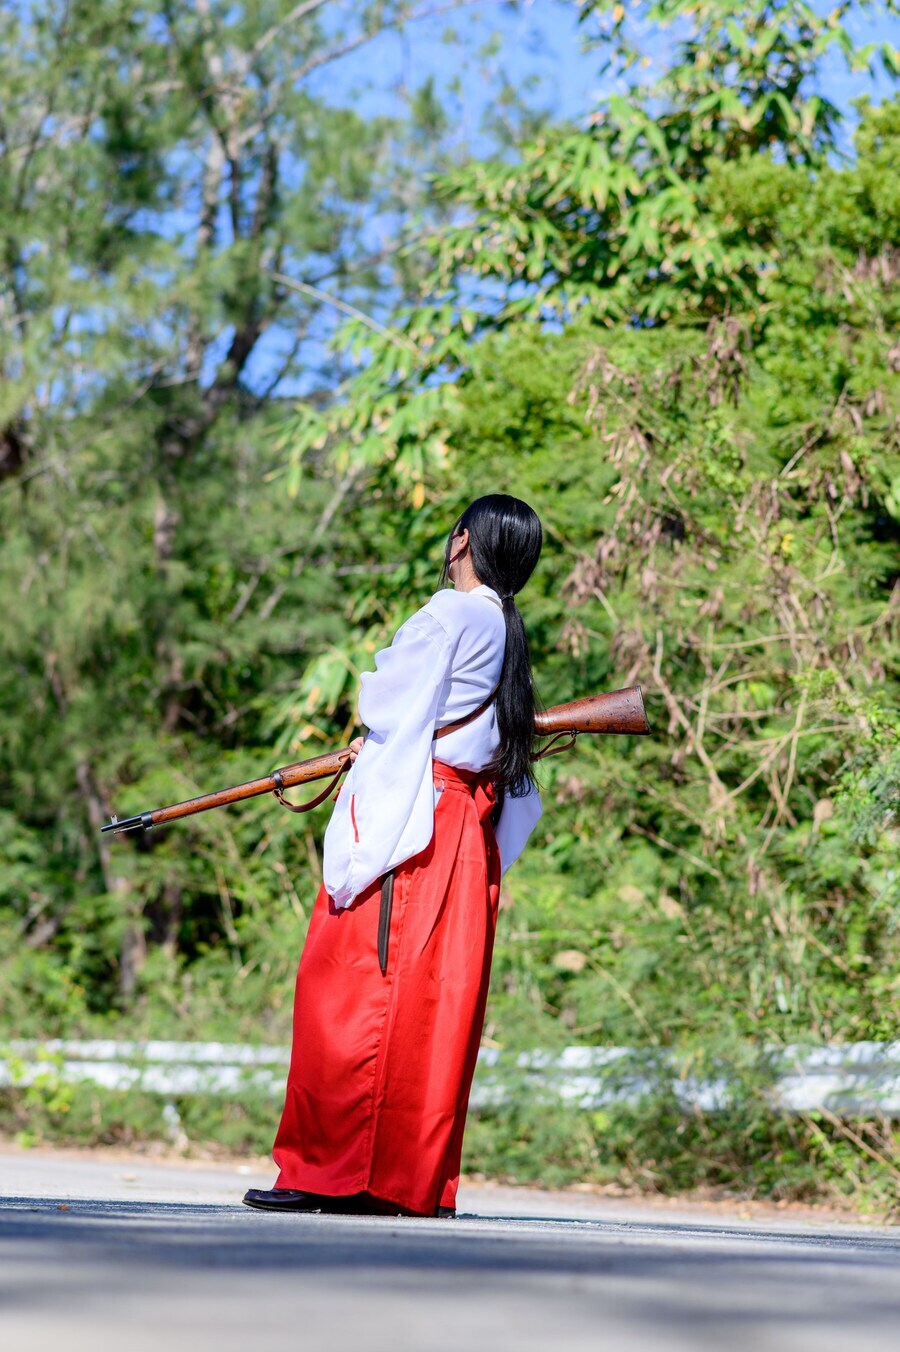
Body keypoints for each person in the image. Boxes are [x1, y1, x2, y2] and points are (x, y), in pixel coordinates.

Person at [243, 494, 544, 1218]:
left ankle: (332, 1173)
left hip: (420, 821)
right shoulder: (506, 628)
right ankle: (408, 1182)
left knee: (351, 989)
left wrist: (374, 742)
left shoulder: (452, 613)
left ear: (462, 541)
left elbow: (384, 703)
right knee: (431, 1003)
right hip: (463, 829)